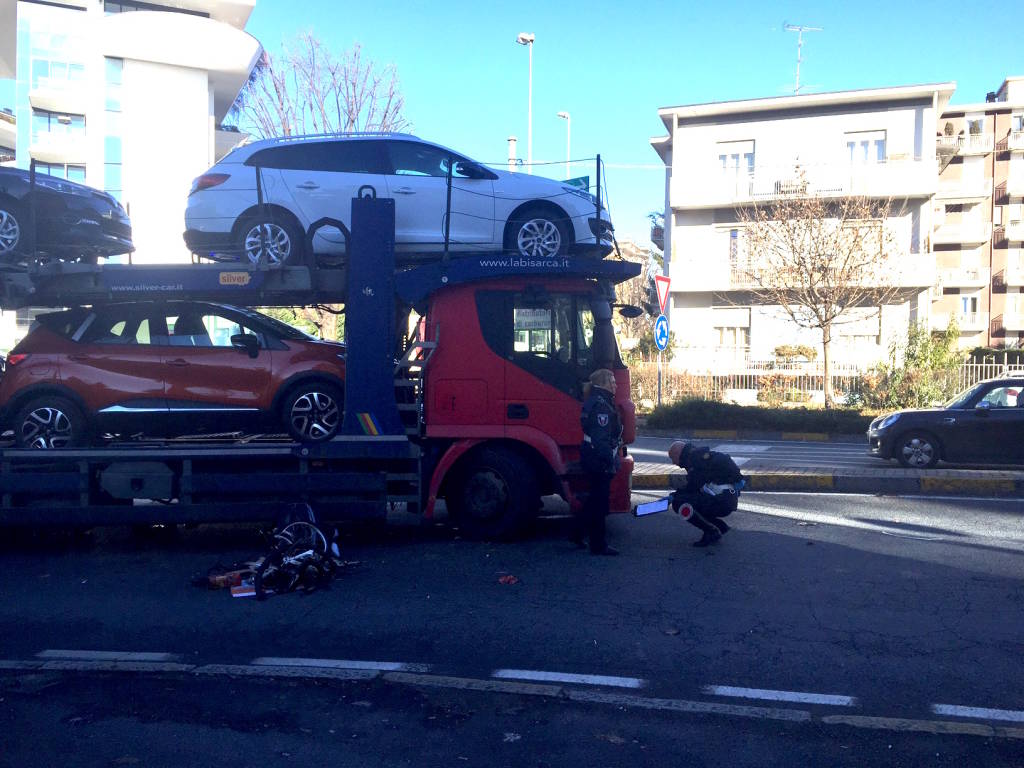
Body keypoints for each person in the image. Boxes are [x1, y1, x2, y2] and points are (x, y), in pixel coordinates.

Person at [573, 368, 622, 556]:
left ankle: (576, 533)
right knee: (600, 503)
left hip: (592, 455)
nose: (616, 385)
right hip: (598, 458)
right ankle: (598, 545)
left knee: (594, 500)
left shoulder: (596, 401)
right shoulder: (601, 406)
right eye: (612, 381)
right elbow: (600, 438)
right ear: (603, 384)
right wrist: (608, 460)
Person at [668, 441, 744, 547]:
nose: (673, 463)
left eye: (672, 458)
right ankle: (719, 526)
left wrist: (674, 496)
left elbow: (692, 487)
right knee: (693, 501)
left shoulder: (696, 462)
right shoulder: (699, 457)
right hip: (726, 499)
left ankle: (712, 531)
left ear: (678, 454)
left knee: (679, 504)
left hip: (721, 501)